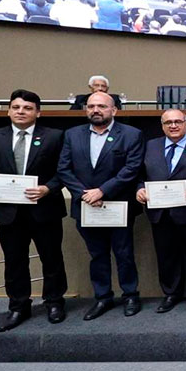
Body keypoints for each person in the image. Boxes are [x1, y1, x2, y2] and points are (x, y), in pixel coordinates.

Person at [0, 89, 68, 330]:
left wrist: (49, 188)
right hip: (7, 213)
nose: (21, 112)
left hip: (44, 209)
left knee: (52, 258)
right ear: (8, 110)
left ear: (38, 112)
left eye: (27, 108)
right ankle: (18, 306)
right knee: (14, 261)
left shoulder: (55, 137)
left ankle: (55, 302)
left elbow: (65, 170)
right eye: (16, 107)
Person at [56, 92, 145, 320]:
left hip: (118, 206)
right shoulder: (72, 135)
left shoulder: (131, 134)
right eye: (91, 106)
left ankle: (130, 295)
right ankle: (103, 297)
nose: (96, 110)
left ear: (114, 110)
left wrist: (102, 190)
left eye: (102, 106)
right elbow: (64, 169)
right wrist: (84, 194)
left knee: (124, 254)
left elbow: (131, 169)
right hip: (86, 207)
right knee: (97, 255)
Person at [136, 109, 186, 313]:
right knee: (166, 256)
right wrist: (140, 189)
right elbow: (138, 175)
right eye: (168, 122)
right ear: (162, 126)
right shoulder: (149, 146)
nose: (173, 126)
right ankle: (171, 294)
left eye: (178, 121)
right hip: (160, 212)